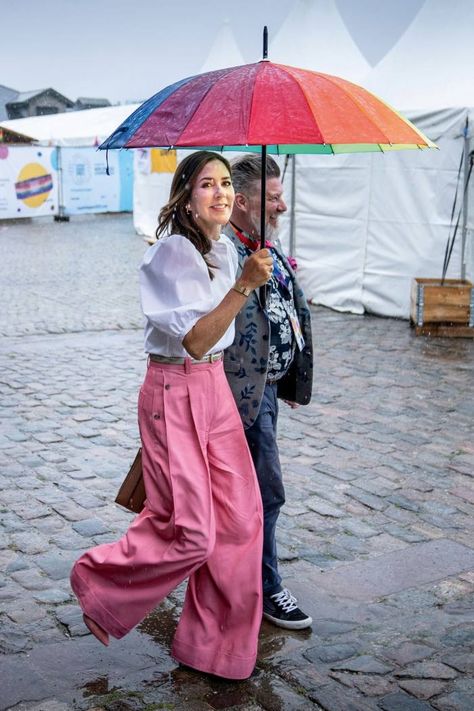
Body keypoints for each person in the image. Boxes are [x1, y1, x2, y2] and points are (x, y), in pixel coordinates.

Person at [70, 151, 273, 680]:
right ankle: (98, 582)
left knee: (242, 523)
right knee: (193, 531)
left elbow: (219, 345)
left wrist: (244, 275)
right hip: (174, 389)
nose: (221, 193)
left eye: (227, 183)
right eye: (207, 184)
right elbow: (194, 336)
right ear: (185, 196)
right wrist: (244, 286)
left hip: (215, 389)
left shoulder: (225, 248)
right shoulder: (170, 253)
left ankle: (216, 649)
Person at [223, 154, 314, 630]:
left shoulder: (264, 246)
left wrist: (292, 375)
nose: (282, 206)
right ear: (241, 201)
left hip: (269, 390)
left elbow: (284, 313)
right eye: (272, 198)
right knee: (266, 492)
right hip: (240, 395)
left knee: (253, 492)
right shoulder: (223, 251)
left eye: (281, 197)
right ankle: (267, 587)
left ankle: (239, 576)